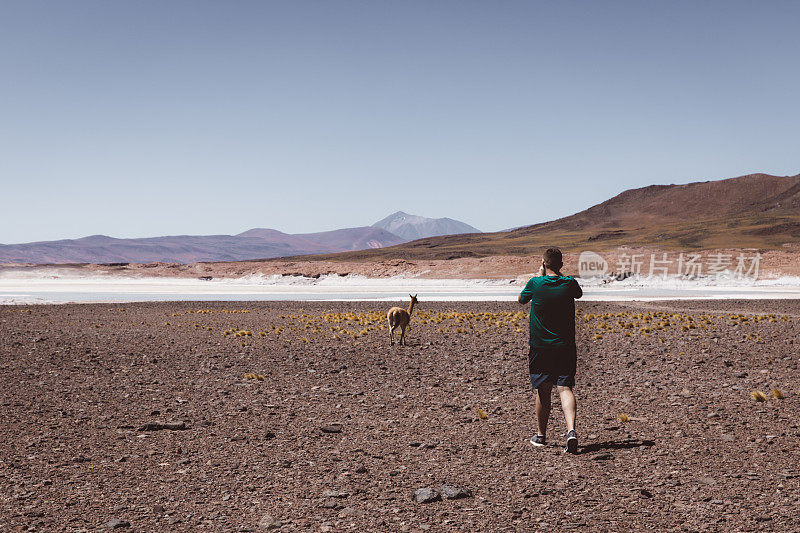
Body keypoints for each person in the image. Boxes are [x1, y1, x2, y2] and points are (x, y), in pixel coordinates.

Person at [518, 247, 583, 453]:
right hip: (565, 347)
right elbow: (578, 294)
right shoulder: (569, 283)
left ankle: (541, 436)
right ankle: (571, 431)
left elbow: (521, 299)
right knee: (565, 388)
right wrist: (558, 273)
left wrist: (540, 275)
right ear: (561, 265)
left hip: (540, 347)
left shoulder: (535, 283)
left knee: (543, 390)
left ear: (544, 263)